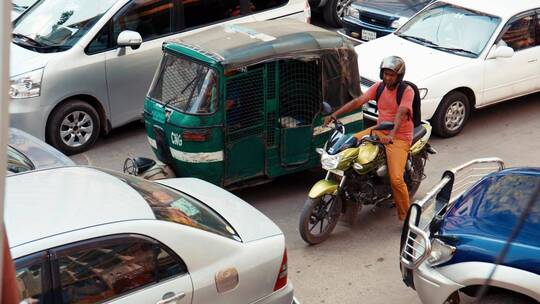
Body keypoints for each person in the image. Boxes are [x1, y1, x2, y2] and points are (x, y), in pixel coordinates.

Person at [324, 56, 414, 222]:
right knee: (348, 144)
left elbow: (401, 112)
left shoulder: (407, 91)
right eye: (386, 74)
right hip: (379, 130)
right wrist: (334, 115)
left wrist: (392, 135)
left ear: (399, 76)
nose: (388, 77)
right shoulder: (379, 88)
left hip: (399, 137)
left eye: (392, 75)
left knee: (396, 179)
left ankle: (407, 217)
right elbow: (359, 101)